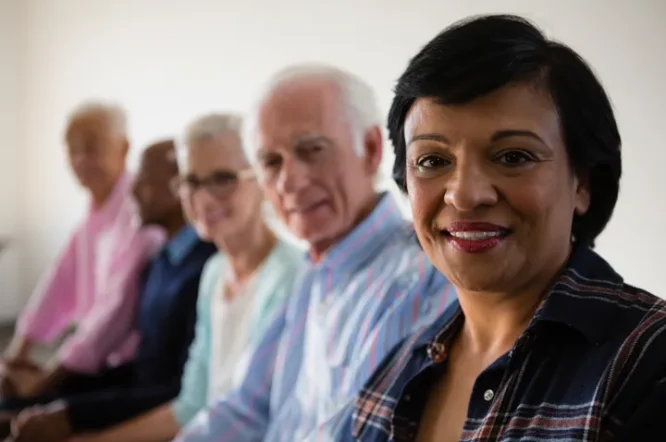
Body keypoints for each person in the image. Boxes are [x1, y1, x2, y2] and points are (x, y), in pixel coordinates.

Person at [331, 14, 666, 442]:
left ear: (582, 182)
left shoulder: (649, 362)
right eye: (433, 161)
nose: (465, 195)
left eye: (513, 157)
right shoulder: (393, 376)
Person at [173, 64, 455, 442]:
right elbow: (245, 409)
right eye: (271, 162)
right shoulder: (314, 271)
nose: (289, 181)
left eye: (312, 151)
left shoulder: (419, 277)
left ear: (371, 150)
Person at [68, 113, 305, 442]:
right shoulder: (214, 273)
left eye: (223, 179)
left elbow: (254, 419)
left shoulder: (291, 278)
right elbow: (191, 405)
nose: (204, 198)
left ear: (264, 181)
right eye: (191, 181)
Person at [9, 140, 217, 442]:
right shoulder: (163, 259)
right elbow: (144, 368)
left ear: (178, 188)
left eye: (143, 181)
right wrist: (55, 396)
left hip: (160, 418)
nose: (132, 191)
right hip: (133, 393)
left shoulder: (205, 269)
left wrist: (72, 414)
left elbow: (182, 394)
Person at [1, 102, 164, 404]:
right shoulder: (93, 215)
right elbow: (58, 282)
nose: (80, 160)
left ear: (124, 148)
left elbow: (113, 314)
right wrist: (16, 354)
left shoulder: (139, 212)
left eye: (90, 148)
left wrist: (47, 379)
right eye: (71, 150)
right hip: (89, 361)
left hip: (125, 371)